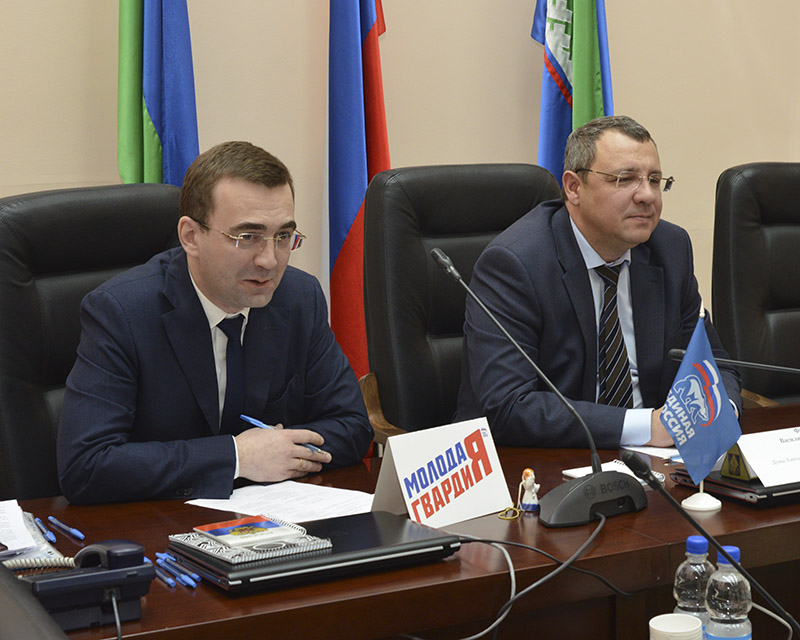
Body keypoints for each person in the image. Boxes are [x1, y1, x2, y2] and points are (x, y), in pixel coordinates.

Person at [57, 141, 373, 503]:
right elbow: (86, 466)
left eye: (283, 236)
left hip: (276, 517)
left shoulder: (299, 297)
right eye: (247, 237)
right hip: (161, 521)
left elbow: (352, 427)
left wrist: (279, 452)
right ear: (191, 237)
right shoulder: (121, 312)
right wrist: (237, 457)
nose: (269, 261)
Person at [455, 115, 741, 449]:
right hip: (540, 460)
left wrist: (721, 411)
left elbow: (713, 364)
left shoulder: (670, 249)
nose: (647, 195)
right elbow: (508, 406)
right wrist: (648, 427)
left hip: (655, 460)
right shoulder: (515, 264)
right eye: (625, 179)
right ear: (574, 188)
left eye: (655, 180)